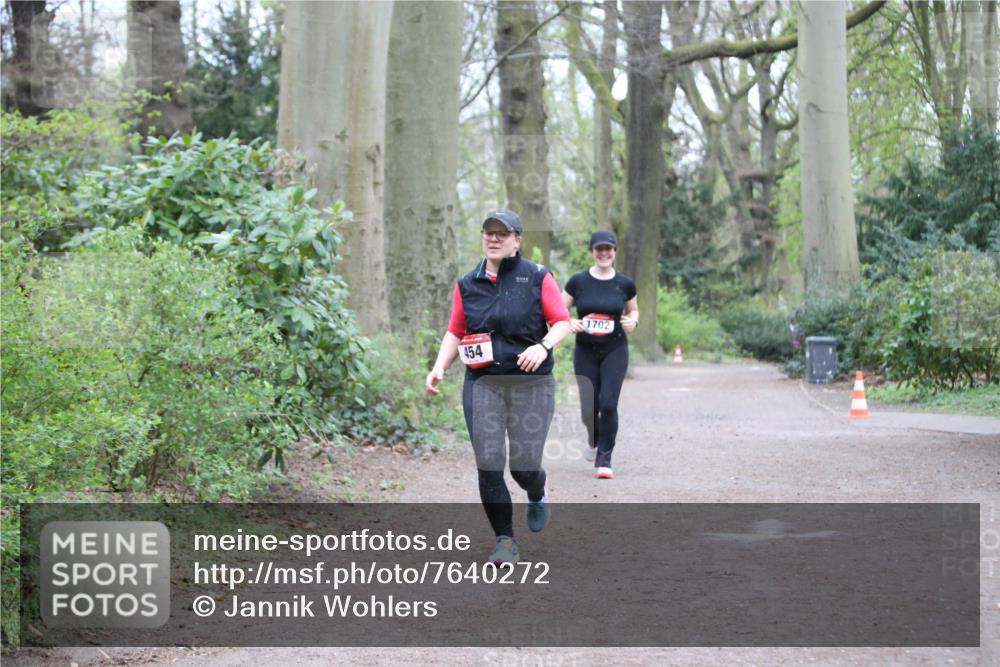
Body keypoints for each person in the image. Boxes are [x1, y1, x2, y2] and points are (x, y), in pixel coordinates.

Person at [426, 209, 571, 565]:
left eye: (501, 234)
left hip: (531, 384)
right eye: (487, 232)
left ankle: (537, 489)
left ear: (516, 241)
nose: (493, 238)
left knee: (523, 467)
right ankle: (505, 541)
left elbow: (562, 322)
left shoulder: (536, 276)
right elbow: (455, 331)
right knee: (489, 463)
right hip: (483, 382)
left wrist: (543, 346)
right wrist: (439, 367)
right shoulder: (467, 284)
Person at [562, 230, 638, 479]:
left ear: (615, 251)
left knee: (607, 403)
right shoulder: (578, 282)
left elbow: (633, 310)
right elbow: (559, 311)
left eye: (608, 249)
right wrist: (569, 322)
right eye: (599, 249)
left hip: (614, 349)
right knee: (588, 408)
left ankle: (604, 459)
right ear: (592, 251)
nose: (604, 253)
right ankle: (594, 440)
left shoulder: (624, 283)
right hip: (585, 350)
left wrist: (633, 322)